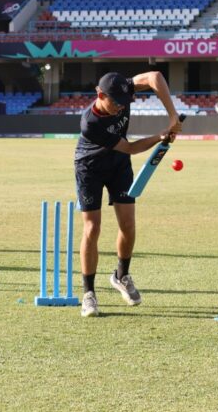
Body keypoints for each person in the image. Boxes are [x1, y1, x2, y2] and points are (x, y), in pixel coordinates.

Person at [74, 72, 182, 317]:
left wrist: (172, 115)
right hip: (89, 167)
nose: (121, 106)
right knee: (92, 228)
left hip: (119, 165)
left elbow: (155, 76)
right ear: (100, 95)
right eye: (116, 102)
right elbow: (131, 148)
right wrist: (161, 136)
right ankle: (89, 293)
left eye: (125, 101)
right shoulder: (90, 122)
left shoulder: (122, 91)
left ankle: (121, 276)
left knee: (128, 224)